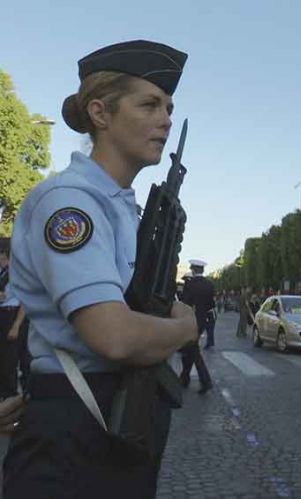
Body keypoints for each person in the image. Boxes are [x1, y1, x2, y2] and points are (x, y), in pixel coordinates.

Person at [2, 40, 198, 499]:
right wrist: (184, 328)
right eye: (149, 104)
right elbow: (114, 336)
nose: (166, 118)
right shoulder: (71, 203)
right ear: (100, 113)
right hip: (73, 432)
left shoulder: (118, 208)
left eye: (169, 107)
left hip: (106, 421)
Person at [179, 259, 214, 394]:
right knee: (190, 349)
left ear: (193, 270)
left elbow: (184, 303)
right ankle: (184, 378)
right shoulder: (209, 284)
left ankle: (205, 380)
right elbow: (211, 305)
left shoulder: (190, 284)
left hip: (190, 320)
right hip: (202, 321)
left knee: (192, 351)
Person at [0, 240, 24, 399]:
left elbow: (25, 301)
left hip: (11, 314)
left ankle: (10, 396)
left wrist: (16, 325)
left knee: (9, 359)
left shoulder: (18, 275)